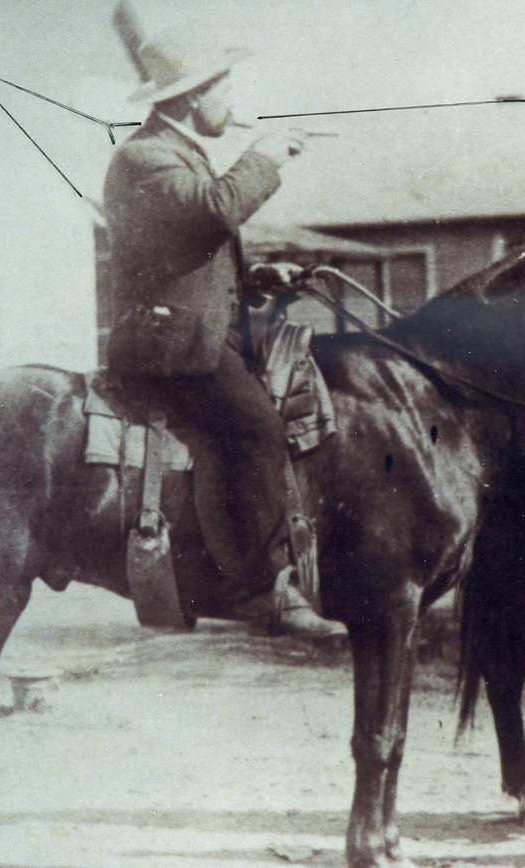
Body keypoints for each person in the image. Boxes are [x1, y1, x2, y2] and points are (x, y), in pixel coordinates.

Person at [103, 20, 337, 634]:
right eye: (222, 87)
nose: (231, 100)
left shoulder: (176, 152)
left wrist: (257, 277)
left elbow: (188, 254)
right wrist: (262, 155)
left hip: (191, 330)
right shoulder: (145, 156)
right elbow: (214, 212)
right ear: (187, 98)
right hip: (168, 346)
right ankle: (262, 591)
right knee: (258, 428)